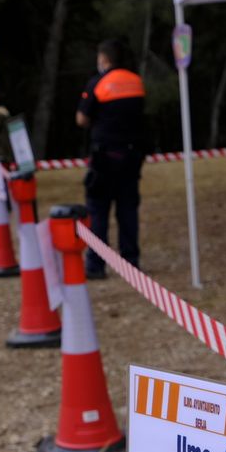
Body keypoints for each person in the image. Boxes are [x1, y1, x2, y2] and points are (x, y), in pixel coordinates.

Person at [76, 40, 146, 279]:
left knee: (98, 210)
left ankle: (96, 265)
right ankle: (131, 262)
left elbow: (82, 119)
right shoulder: (136, 81)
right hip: (131, 154)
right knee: (127, 209)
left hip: (104, 156)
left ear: (103, 59)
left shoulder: (98, 83)